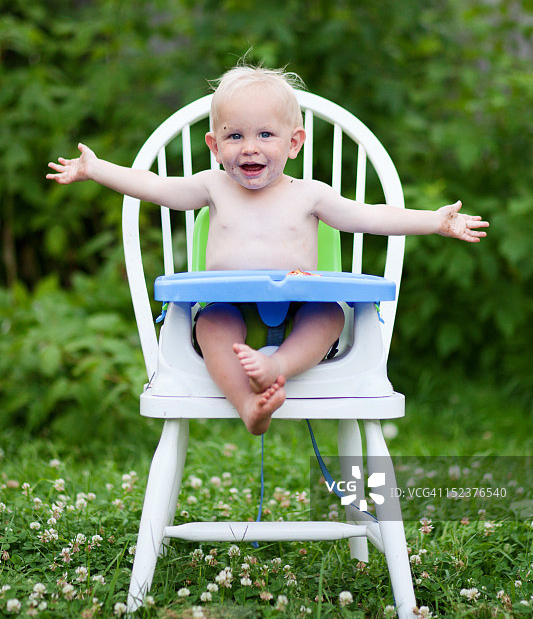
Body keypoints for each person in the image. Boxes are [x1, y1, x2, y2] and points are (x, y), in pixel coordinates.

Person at [47, 65, 489, 436]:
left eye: (265, 134)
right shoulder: (211, 186)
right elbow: (155, 187)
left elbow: (370, 217)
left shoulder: (311, 195)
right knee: (212, 326)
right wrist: (97, 168)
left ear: (293, 143)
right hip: (227, 304)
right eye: (235, 136)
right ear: (214, 146)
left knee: (330, 315)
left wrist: (434, 220)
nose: (250, 147)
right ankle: (249, 406)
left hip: (300, 305)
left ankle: (276, 364)